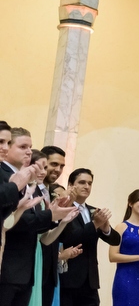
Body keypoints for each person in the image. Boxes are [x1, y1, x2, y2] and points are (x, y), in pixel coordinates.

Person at [0, 128, 74, 306]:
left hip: (26, 269)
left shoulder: (24, 179)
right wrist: (49, 215)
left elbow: (32, 222)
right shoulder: (5, 176)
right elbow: (14, 221)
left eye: (30, 146)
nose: (28, 151)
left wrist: (56, 218)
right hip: (8, 267)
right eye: (23, 146)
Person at [58, 168, 121, 306]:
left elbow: (116, 240)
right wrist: (94, 225)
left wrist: (106, 229)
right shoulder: (63, 209)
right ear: (70, 185)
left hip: (90, 280)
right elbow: (69, 238)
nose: (87, 186)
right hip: (68, 278)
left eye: (90, 183)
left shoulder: (94, 211)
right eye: (82, 182)